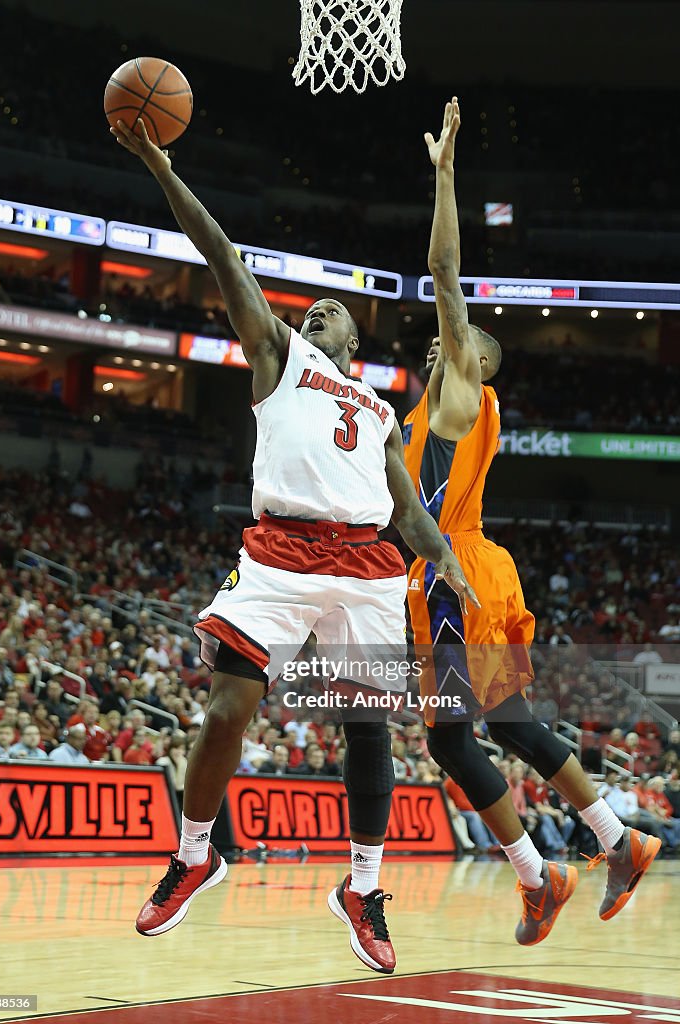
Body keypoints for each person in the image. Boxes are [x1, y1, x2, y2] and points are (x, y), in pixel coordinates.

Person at [111, 115, 478, 974]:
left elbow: (407, 514)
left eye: (334, 312)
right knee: (227, 709)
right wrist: (163, 169)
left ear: (358, 342)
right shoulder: (280, 355)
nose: (318, 311)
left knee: (368, 726)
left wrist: (445, 555)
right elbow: (222, 254)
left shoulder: (382, 411)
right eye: (312, 307)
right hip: (278, 553)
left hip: (368, 565)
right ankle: (197, 854)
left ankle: (361, 888)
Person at [402, 96, 660, 947]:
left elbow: (444, 275)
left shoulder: (462, 397)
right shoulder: (434, 414)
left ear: (479, 362)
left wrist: (444, 177)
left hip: (456, 575)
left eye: (464, 338)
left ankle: (540, 875)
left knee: (449, 739)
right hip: (472, 572)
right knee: (508, 724)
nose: (447, 340)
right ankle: (620, 842)